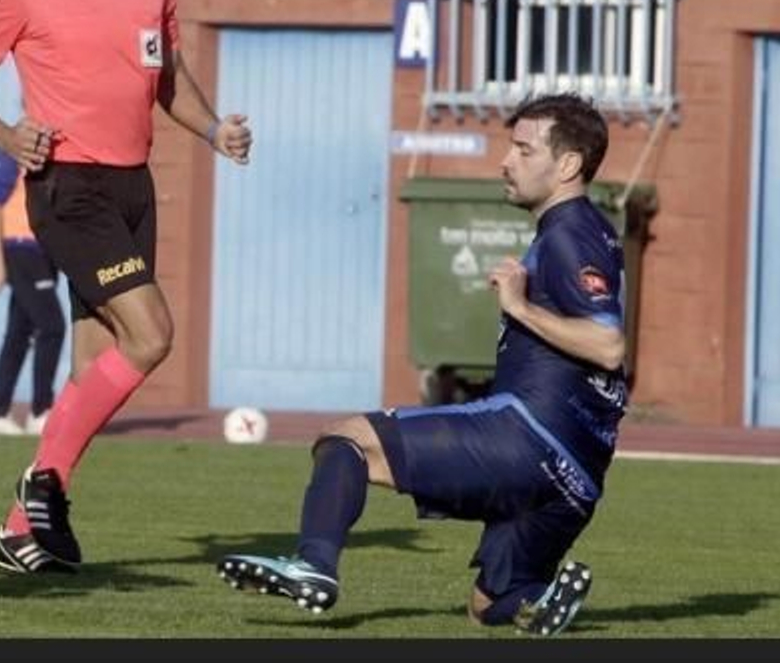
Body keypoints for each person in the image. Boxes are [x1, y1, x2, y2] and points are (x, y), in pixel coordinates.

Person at [0, 0, 253, 575]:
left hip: (132, 186)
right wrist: (6, 134)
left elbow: (165, 76)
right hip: (67, 187)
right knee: (152, 335)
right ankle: (39, 484)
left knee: (95, 361)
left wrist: (214, 130)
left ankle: (24, 530)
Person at [218, 93, 627, 638]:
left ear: (568, 164)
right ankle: (541, 599)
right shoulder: (592, 229)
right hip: (577, 478)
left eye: (523, 150)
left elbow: (608, 346)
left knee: (344, 439)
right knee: (489, 605)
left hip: (525, 440)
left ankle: (313, 565)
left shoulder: (568, 234)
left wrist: (519, 307)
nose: (506, 161)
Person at [0, 147, 65, 436]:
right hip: (20, 249)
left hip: (46, 252)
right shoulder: (13, 146)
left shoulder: (61, 150)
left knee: (18, 334)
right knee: (53, 326)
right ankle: (41, 411)